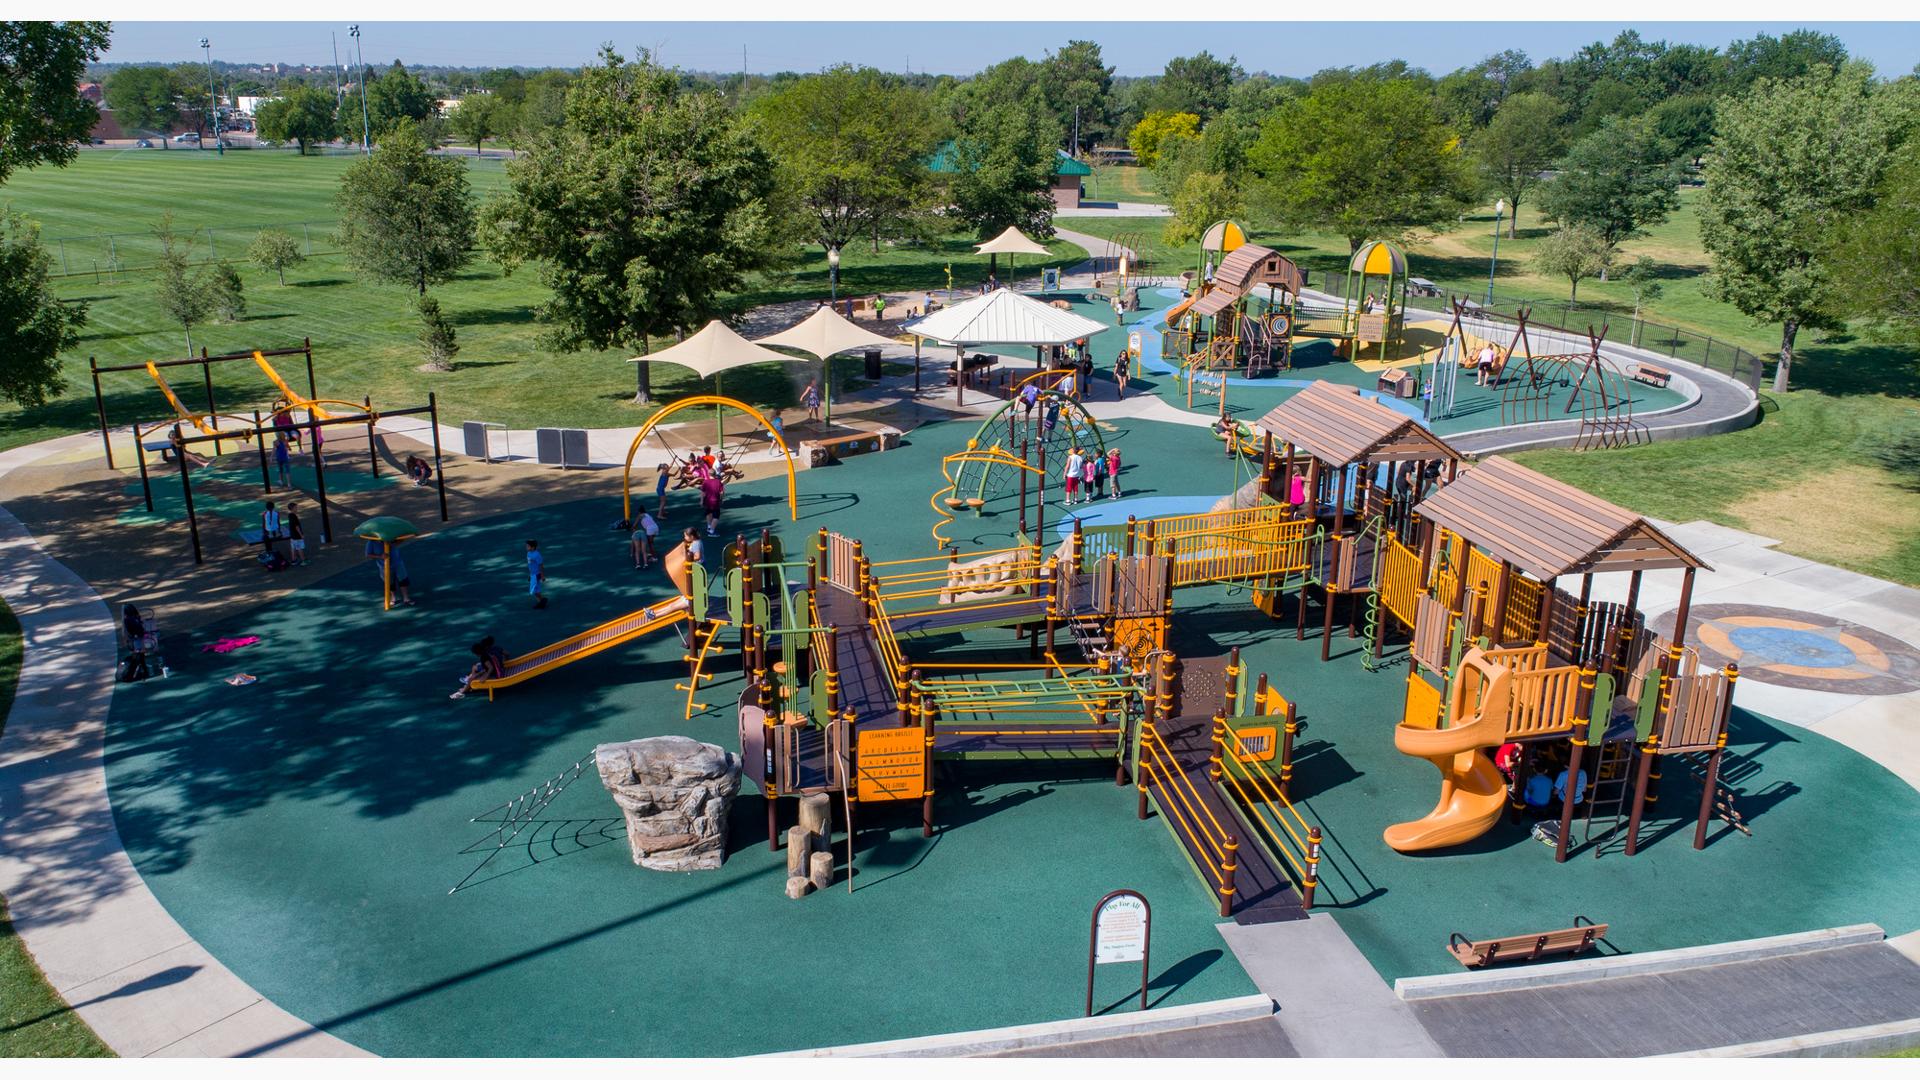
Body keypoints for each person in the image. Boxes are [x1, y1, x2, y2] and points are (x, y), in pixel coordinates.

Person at [365, 538, 414, 606]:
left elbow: (402, 539)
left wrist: (392, 544)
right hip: (384, 566)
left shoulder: (390, 536)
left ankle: (406, 598)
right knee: (389, 582)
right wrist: (380, 556)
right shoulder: (371, 542)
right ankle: (393, 598)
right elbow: (368, 554)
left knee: (403, 580)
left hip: (397, 563)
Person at [699, 468, 724, 537]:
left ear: (708, 474)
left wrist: (701, 501)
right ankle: (711, 531)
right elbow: (721, 492)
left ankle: (709, 526)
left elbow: (702, 493)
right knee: (716, 517)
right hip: (715, 502)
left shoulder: (705, 482)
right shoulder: (719, 482)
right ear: (715, 474)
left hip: (707, 501)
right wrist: (721, 499)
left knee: (708, 513)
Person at [526, 539, 547, 609]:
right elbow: (530, 565)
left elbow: (541, 566)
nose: (526, 547)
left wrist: (542, 575)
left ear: (533, 547)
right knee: (536, 589)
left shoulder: (537, 555)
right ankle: (541, 603)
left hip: (536, 575)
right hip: (532, 574)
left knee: (533, 590)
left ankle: (542, 600)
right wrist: (530, 574)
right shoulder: (528, 553)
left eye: (528, 546)